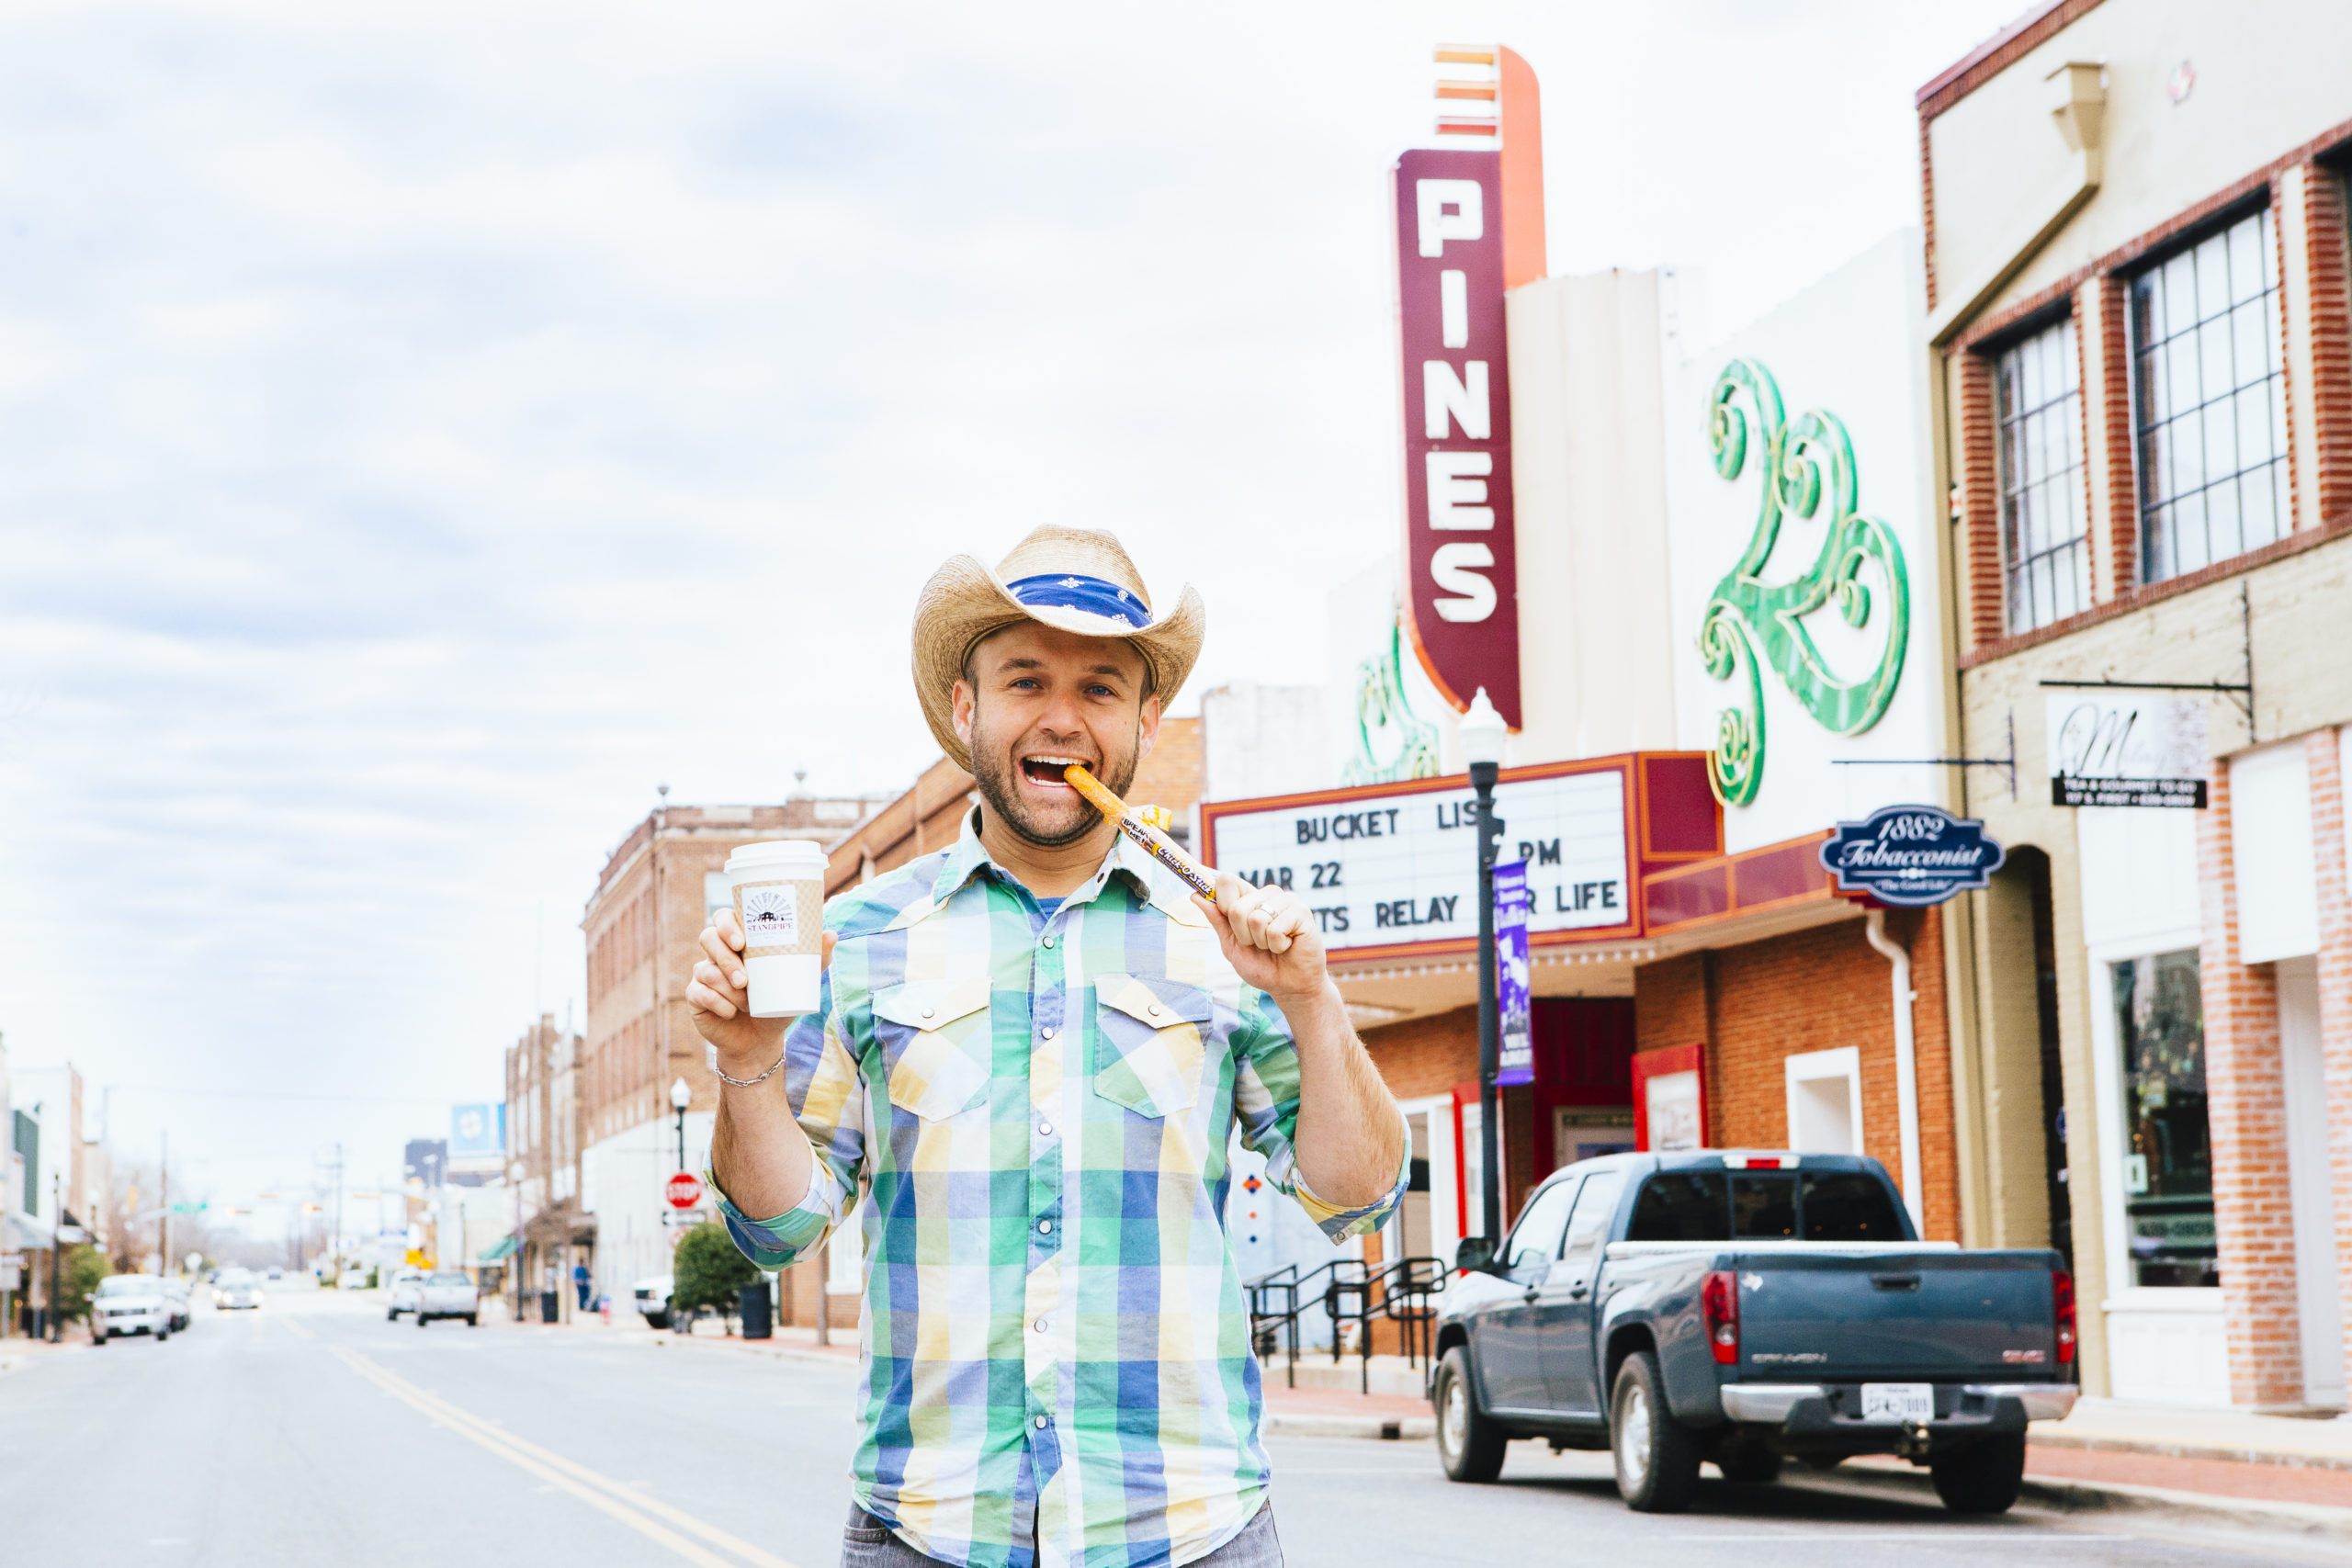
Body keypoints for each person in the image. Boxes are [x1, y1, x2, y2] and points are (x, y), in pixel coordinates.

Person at [688, 525, 1408, 1568]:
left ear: (1146, 721)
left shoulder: (1219, 941)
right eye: (1026, 680)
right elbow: (778, 1230)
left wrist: (1312, 1001)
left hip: (1190, 1530)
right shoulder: (857, 939)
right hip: (926, 1530)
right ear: (967, 708)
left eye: (1102, 689)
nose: (1063, 719)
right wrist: (745, 1060)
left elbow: (1356, 1197)